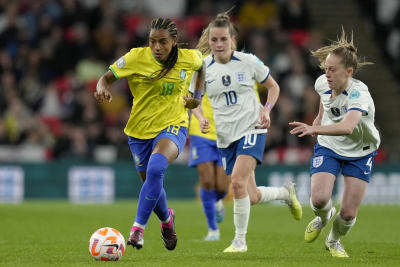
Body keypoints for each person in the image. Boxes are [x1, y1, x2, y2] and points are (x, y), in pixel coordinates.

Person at [191, 12, 303, 253]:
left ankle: (239, 241)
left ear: (232, 39)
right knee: (249, 195)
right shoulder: (202, 68)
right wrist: (200, 118)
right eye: (214, 40)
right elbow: (194, 100)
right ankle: (285, 193)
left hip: (252, 127)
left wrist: (267, 109)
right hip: (225, 136)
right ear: (208, 41)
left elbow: (273, 86)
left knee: (237, 182)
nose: (219, 45)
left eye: (223, 39)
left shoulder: (248, 61)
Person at [94, 17, 205, 251]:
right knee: (152, 184)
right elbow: (105, 78)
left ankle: (137, 229)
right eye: (153, 41)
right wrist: (102, 89)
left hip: (173, 125)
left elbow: (201, 66)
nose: (157, 47)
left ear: (174, 41)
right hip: (139, 131)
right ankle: (167, 221)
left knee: (156, 168)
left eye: (163, 42)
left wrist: (197, 98)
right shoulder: (136, 57)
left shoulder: (189, 57)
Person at [289, 29, 380, 258]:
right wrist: (320, 116)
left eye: (332, 69)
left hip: (361, 151)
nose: (326, 74)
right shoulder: (322, 82)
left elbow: (349, 127)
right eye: (325, 69)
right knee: (319, 200)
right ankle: (324, 217)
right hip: (330, 145)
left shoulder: (359, 94)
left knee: (349, 213)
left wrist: (314, 127)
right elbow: (324, 98)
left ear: (348, 72)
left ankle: (334, 240)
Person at [188, 75, 230, 241]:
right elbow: (191, 97)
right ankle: (213, 229)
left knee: (221, 186)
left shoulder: (230, 71)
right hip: (201, 132)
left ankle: (217, 202)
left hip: (225, 133)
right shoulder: (200, 72)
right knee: (206, 182)